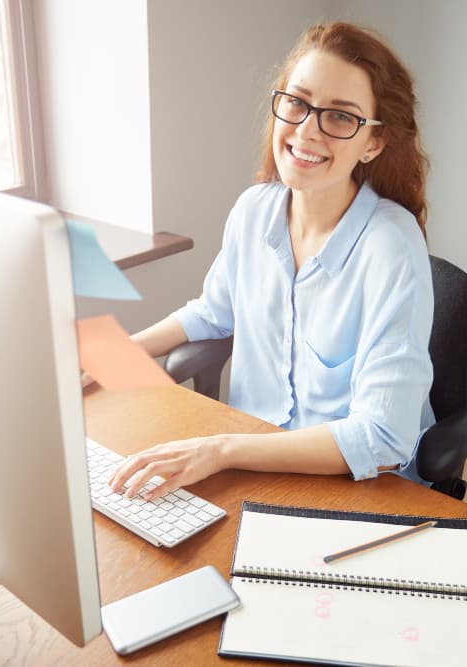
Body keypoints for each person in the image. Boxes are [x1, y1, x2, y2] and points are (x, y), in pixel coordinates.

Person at [108, 21, 434, 500]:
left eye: (340, 117)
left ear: (374, 142)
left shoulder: (391, 247)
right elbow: (213, 312)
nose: (306, 131)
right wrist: (116, 355)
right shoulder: (254, 209)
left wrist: (221, 450)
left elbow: (382, 439)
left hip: (353, 484)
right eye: (297, 103)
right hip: (250, 462)